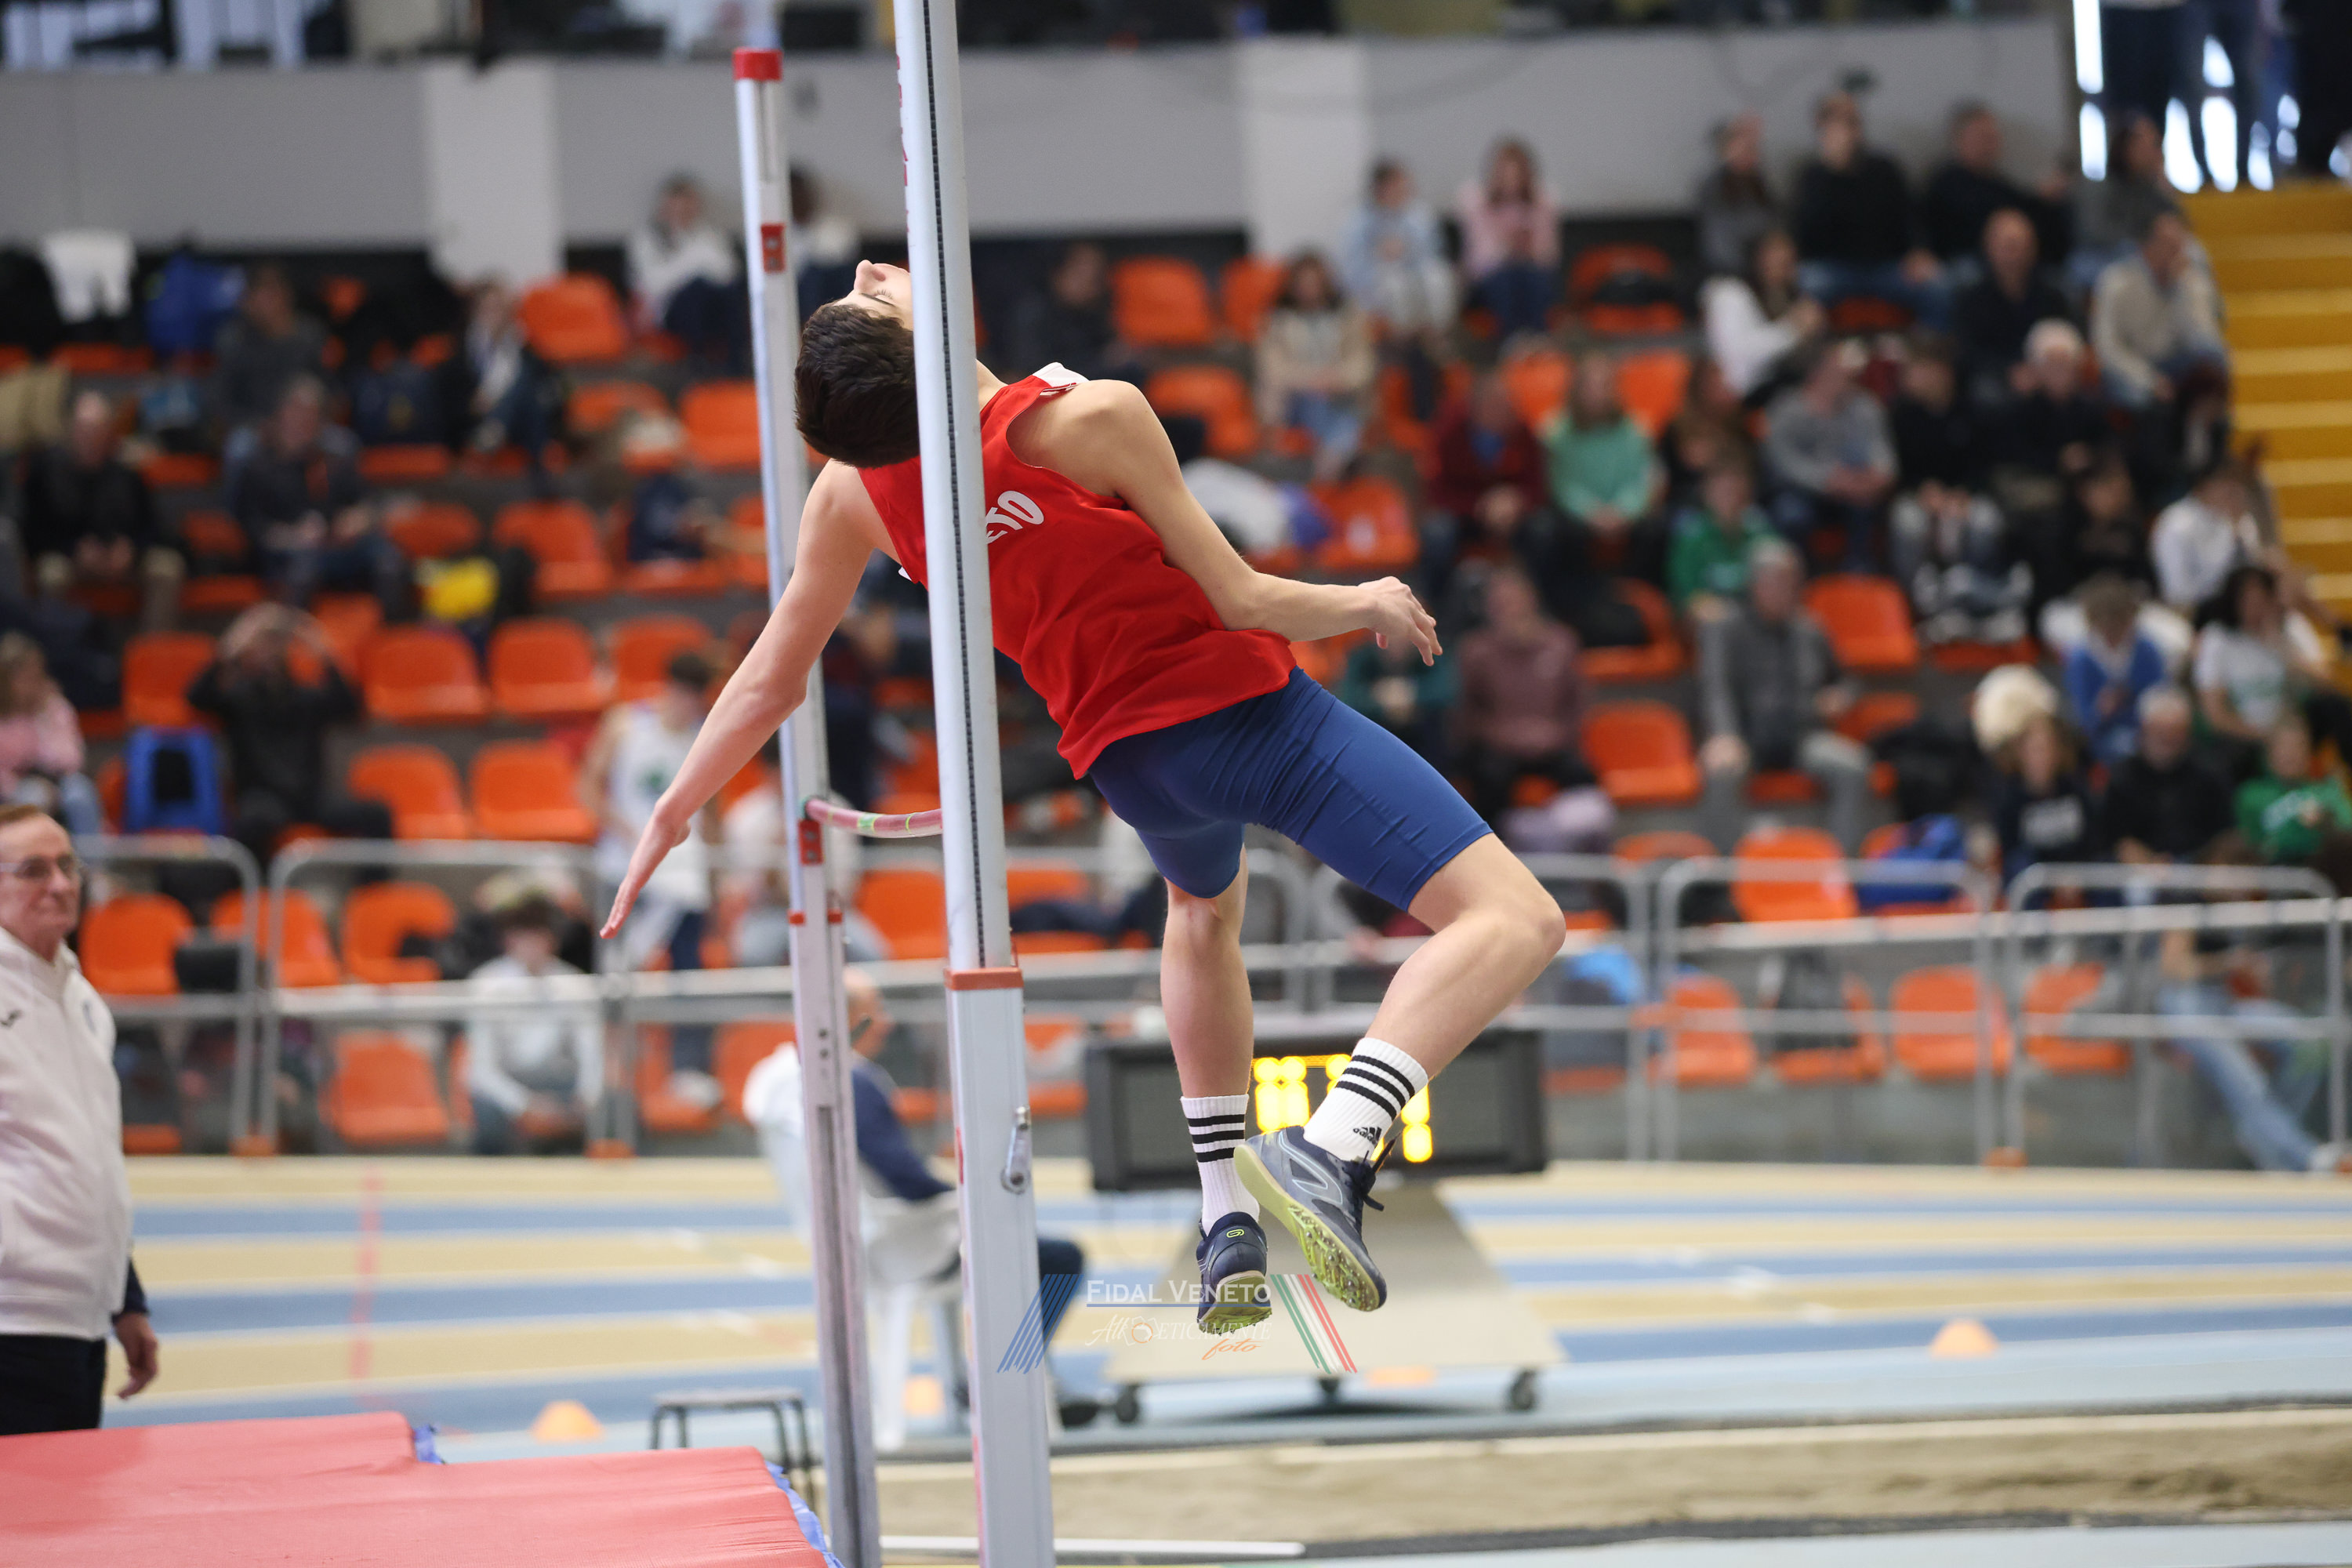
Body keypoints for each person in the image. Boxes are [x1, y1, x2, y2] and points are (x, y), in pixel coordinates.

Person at [603, 259, 1566, 1329]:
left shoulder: (854, 493)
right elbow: (1243, 597)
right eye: (871, 296)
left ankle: (1224, 1217)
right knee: (1516, 918)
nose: (878, 269)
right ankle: (1333, 1144)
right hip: (1249, 720)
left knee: (1202, 912)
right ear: (923, 343)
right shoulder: (1090, 418)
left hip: (1131, 767)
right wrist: (1366, 597)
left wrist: (672, 808)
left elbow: (772, 678)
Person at [740, 968, 1092, 1428]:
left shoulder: (782, 1080)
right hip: (905, 1244)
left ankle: (998, 1375)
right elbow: (905, 1177)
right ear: (849, 1018)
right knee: (1060, 1259)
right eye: (876, 1012)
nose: (886, 1023)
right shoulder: (852, 1082)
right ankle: (1011, 1375)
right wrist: (970, 1198)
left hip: (852, 1243)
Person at [0, 805, 159, 1434]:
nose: (61, 884)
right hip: (11, 1321)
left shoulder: (83, 998)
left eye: (68, 865)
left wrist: (124, 1298)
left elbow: (91, 1159)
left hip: (77, 1324)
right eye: (33, 870)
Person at [2157, 839, 2346, 1173]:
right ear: (2218, 866)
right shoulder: (2189, 897)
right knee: (2247, 1079)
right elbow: (2175, 968)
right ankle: (2308, 1157)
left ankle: (2264, 1138)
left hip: (2224, 1003)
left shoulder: (2238, 907)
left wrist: (2254, 972)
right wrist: (2229, 962)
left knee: (2310, 1043)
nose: (2242, 889)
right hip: (2185, 1006)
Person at [583, 650, 720, 1097]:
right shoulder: (625, 725)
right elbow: (588, 788)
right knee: (617, 973)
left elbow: (712, 811)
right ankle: (609, 1072)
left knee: (688, 973)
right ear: (669, 689)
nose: (688, 707)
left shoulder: (705, 736)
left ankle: (688, 1070)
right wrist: (630, 833)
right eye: (684, 696)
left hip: (681, 877)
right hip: (623, 868)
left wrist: (714, 874)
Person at [1697, 538, 1870, 851]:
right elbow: (1716, 687)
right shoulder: (1726, 627)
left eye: (1789, 582)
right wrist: (1724, 734)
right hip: (1746, 737)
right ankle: (1725, 874)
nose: (1782, 591)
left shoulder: (1810, 629)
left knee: (1853, 766)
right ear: (1754, 585)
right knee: (1721, 772)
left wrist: (1840, 696)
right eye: (1773, 582)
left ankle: (1840, 868)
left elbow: (1847, 680)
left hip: (1802, 736)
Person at [184, 605, 394, 863]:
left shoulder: (305, 697)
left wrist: (322, 649)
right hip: (262, 797)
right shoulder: (239, 698)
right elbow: (196, 698)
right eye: (263, 643)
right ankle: (255, 885)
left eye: (276, 643)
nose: (270, 651)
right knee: (252, 821)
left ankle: (374, 886)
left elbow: (349, 707)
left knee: (376, 813)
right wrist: (232, 645)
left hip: (310, 797)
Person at [222, 376, 406, 616]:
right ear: (281, 415)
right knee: (303, 567)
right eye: (297, 412)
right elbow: (251, 529)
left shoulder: (335, 460)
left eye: (311, 415)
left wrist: (360, 518)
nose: (303, 421)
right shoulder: (257, 467)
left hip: (337, 546)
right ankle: (294, 634)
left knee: (388, 559)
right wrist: (293, 535)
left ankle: (392, 632)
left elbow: (367, 501)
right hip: (287, 553)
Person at [1889, 339, 2023, 645]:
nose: (1911, 377)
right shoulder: (1903, 414)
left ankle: (1977, 602)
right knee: (1909, 525)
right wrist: (1923, 490)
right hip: (1918, 496)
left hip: (1967, 495)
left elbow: (1987, 465)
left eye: (1920, 369)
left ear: (1942, 372)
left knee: (1985, 522)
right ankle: (1916, 607)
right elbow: (1897, 468)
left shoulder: (1975, 409)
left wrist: (1965, 493)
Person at [1450, 565, 1602, 827]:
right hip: (1498, 749)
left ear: (1531, 600)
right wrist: (1505, 734)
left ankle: (1578, 842)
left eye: (1514, 601)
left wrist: (1555, 734)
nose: (1509, 610)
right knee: (1486, 776)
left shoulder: (1561, 643)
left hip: (1553, 744)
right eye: (1500, 603)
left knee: (1582, 775)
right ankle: (1492, 842)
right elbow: (1465, 714)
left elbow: (1577, 706)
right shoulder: (1475, 652)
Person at [16, 390, 177, 632]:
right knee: (52, 574)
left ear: (109, 433)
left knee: (167, 567)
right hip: (70, 558)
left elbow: (155, 526)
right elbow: (33, 532)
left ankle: (155, 647)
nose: (91, 438)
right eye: (85, 430)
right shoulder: (47, 472)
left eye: (98, 430)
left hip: (122, 559)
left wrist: (131, 549)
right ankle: (57, 645)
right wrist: (73, 549)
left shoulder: (127, 474)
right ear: (72, 430)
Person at [1790, 92, 1947, 329]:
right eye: (1836, 121)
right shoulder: (1812, 176)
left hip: (1887, 266)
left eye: (1852, 121)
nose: (1846, 130)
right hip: (1834, 268)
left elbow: (1910, 216)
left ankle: (1928, 348)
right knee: (1805, 286)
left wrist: (1919, 250)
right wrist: (1833, 172)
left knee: (1938, 288)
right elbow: (1806, 236)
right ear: (1821, 128)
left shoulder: (1884, 169)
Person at [464, 895, 602, 1155]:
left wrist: (585, 1100)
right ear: (508, 940)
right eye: (522, 936)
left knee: (616, 1108)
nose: (531, 945)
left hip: (562, 1089)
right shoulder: (486, 985)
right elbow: (482, 1070)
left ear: (552, 940)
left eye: (538, 935)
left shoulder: (574, 984)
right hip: (510, 1090)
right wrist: (524, 1106)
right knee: (487, 1111)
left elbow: (592, 1055)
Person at [2191, 564, 2352, 771]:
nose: (2255, 608)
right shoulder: (2217, 639)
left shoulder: (2287, 628)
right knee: (2228, 755)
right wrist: (2264, 736)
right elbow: (2215, 713)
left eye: (2261, 600)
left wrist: (2282, 649)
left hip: (2290, 724)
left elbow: (2326, 684)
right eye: (2248, 601)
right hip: (2245, 731)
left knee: (2336, 705)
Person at [1417, 370, 1549, 614]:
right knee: (1437, 533)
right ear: (1475, 407)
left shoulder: (1522, 432)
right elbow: (1437, 492)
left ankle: (1543, 606)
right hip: (1464, 517)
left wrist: (1517, 502)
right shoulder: (1449, 433)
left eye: (1505, 405)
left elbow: (1538, 486)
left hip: (1513, 518)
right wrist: (1480, 506)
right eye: (1492, 405)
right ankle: (1435, 610)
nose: (1500, 412)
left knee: (1545, 529)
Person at [1762, 339, 1896, 568]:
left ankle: (1859, 573)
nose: (1844, 375)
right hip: (1803, 492)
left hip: (1855, 488)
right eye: (1835, 368)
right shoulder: (1786, 410)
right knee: (1790, 513)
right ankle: (1799, 574)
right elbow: (1782, 462)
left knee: (1871, 507)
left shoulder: (1864, 406)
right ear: (1817, 372)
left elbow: (1882, 453)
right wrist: (1827, 480)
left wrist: (1878, 476)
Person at [1544, 351, 1664, 586]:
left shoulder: (1636, 429)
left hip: (1627, 516)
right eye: (1590, 387)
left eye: (1604, 386)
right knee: (1552, 531)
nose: (1597, 394)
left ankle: (1640, 592)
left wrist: (1624, 511)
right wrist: (1591, 513)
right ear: (1576, 390)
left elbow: (1643, 479)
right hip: (1578, 518)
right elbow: (1561, 483)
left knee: (1657, 529)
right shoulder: (1556, 433)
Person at [1254, 252, 1374, 485]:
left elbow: (1362, 362)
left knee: (1343, 410)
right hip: (1294, 402)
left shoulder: (1348, 318)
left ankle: (1331, 463)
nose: (1309, 289)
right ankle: (1332, 462)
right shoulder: (1277, 321)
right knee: (1319, 405)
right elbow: (1273, 368)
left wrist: (1337, 379)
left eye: (1314, 283)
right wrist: (1313, 380)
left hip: (1339, 394)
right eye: (1303, 283)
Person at [2092, 212, 2228, 412]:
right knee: (2148, 399)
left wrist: (2183, 291)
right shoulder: (2116, 282)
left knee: (2214, 364)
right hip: (2131, 368)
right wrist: (2149, 381)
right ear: (2146, 246)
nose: (2178, 251)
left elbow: (2203, 338)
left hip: (2175, 365)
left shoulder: (2191, 282)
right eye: (2169, 245)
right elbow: (2108, 348)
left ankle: (2205, 432)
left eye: (2180, 244)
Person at [1921, 104, 2074, 267]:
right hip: (1964, 262)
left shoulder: (1998, 184)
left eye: (1993, 137)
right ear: (1959, 139)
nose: (1989, 145)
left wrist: (2044, 198)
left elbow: (2022, 210)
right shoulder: (1946, 184)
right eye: (1982, 137)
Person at [1951, 210, 2074, 412]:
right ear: (1989, 247)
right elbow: (1969, 352)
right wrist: (2009, 371)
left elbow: (2066, 335)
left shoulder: (2052, 295)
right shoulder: (1971, 298)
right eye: (2008, 247)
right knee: (1986, 393)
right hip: (1995, 375)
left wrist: (2041, 370)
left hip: (2045, 372)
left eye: (2022, 246)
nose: (2015, 255)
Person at [2106, 684, 2235, 864]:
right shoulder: (2122, 778)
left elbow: (2225, 834)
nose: (2168, 738)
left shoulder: (2211, 774)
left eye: (2176, 731)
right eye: (2160, 731)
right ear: (2144, 729)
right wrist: (2135, 855)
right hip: (2139, 869)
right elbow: (2111, 838)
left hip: (2200, 867)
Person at [628, 174, 745, 371]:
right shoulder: (648, 240)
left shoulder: (710, 235)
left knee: (725, 294)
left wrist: (689, 266)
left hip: (713, 306)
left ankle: (736, 365)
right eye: (677, 206)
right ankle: (698, 365)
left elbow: (728, 273)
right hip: (668, 312)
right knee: (695, 291)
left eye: (688, 205)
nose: (683, 211)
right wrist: (696, 262)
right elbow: (654, 285)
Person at [1338, 158, 1457, 340]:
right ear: (1379, 188)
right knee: (1394, 284)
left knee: (1438, 277)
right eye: (1393, 186)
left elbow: (1434, 251)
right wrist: (1379, 255)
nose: (1400, 191)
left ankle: (1438, 334)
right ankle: (1402, 339)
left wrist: (1409, 248)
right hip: (1378, 285)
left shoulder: (1418, 214)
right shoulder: (1357, 222)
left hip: (1417, 278)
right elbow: (1352, 269)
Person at [1701, 230, 1824, 404]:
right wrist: (1793, 331)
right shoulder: (1729, 293)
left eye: (1788, 263)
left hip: (1780, 389)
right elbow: (1735, 357)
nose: (1782, 269)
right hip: (1738, 395)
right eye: (1775, 261)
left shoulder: (1788, 298)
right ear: (1756, 259)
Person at [1455, 140, 1559, 342]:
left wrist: (1528, 247)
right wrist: (1506, 247)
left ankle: (1537, 343)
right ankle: (1511, 343)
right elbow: (1477, 263)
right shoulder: (1476, 200)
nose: (1510, 181)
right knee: (1506, 280)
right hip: (1489, 282)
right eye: (1505, 175)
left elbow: (1549, 258)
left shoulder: (1542, 201)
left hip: (1529, 276)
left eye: (1516, 175)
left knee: (1532, 279)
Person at [2064, 574, 2171, 764]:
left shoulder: (2146, 650)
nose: (2112, 635)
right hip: (2102, 741)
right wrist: (2101, 711)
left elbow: (2161, 695)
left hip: (2146, 732)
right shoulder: (2081, 659)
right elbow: (2081, 721)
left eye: (2118, 628)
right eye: (2105, 629)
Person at [449, 280, 556, 467]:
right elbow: (452, 400)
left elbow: (548, 389)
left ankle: (496, 426)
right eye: (487, 309)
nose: (494, 315)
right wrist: (474, 403)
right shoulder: (461, 352)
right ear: (475, 312)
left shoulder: (526, 347)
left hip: (519, 422)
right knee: (524, 382)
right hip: (476, 420)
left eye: (499, 308)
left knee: (525, 382)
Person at [2072, 112, 2184, 290]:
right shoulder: (2100, 187)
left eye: (2156, 146)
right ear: (2127, 147)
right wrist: (2143, 246)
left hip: (2140, 256)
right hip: (2099, 258)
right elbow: (2095, 232)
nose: (2155, 152)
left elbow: (2177, 221)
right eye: (2149, 145)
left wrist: (2163, 180)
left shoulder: (2147, 189)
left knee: (2191, 255)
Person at [0, 636, 98, 836]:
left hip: (57, 780)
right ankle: (31, 855)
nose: (31, 683)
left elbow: (72, 760)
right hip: (13, 786)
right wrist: (15, 785)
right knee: (34, 797)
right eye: (22, 677)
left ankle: (92, 856)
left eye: (35, 674)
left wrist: (42, 720)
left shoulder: (54, 708)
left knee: (80, 793)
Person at [1990, 711, 2104, 882]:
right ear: (2021, 753)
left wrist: (2073, 873)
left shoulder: (2075, 790)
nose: (2042, 757)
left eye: (2048, 748)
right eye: (2036, 749)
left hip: (2076, 874)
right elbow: (2011, 851)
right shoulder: (2009, 799)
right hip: (2035, 878)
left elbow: (2092, 841)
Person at [212, 262, 327, 431]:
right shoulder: (234, 339)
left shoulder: (309, 336)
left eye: (273, 292)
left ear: (286, 295)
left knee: (340, 442)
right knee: (242, 442)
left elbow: (329, 390)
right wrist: (260, 425)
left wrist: (304, 422)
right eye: (260, 293)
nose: (266, 302)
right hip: (254, 428)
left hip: (306, 427)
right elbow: (221, 402)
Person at [1004, 241, 1134, 387]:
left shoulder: (1095, 311)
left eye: (1095, 277)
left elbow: (1112, 353)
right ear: (1058, 273)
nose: (1089, 284)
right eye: (1080, 274)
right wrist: (1104, 362)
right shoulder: (1033, 314)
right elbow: (1033, 373)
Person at [1666, 456, 1777, 619]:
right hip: (1712, 617)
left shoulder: (1761, 530)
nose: (1731, 498)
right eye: (1723, 491)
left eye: (1736, 490)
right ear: (1707, 493)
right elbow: (1686, 594)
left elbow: (1780, 578)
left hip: (1756, 614)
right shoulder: (1692, 537)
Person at [2234, 711, 2352, 864]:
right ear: (2269, 753)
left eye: (2298, 746)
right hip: (2270, 872)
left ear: (2309, 752)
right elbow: (2245, 844)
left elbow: (2347, 833)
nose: (2291, 754)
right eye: (2283, 746)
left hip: (2319, 870)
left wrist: (2327, 822)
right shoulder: (2251, 795)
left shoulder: (2328, 792)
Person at [2152, 459, 2264, 615]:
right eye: (2225, 483)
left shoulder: (2241, 521)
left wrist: (2237, 532)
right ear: (2205, 485)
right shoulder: (2175, 523)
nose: (2232, 491)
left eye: (2235, 484)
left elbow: (2254, 570)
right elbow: (2178, 593)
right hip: (2191, 612)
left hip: (2238, 611)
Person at [1336, 633, 1454, 767]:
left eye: (1403, 637)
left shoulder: (1431, 653)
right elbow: (1347, 698)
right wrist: (1383, 703)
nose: (1397, 644)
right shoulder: (1361, 656)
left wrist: (1408, 695)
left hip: (1424, 744)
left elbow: (1446, 691)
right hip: (1375, 743)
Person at [1693, 113, 1779, 279]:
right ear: (1726, 151)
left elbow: (1775, 228)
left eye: (1752, 148)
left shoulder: (1761, 186)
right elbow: (1721, 245)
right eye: (1742, 148)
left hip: (1767, 274)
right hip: (1726, 273)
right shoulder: (1714, 187)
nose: (1748, 155)